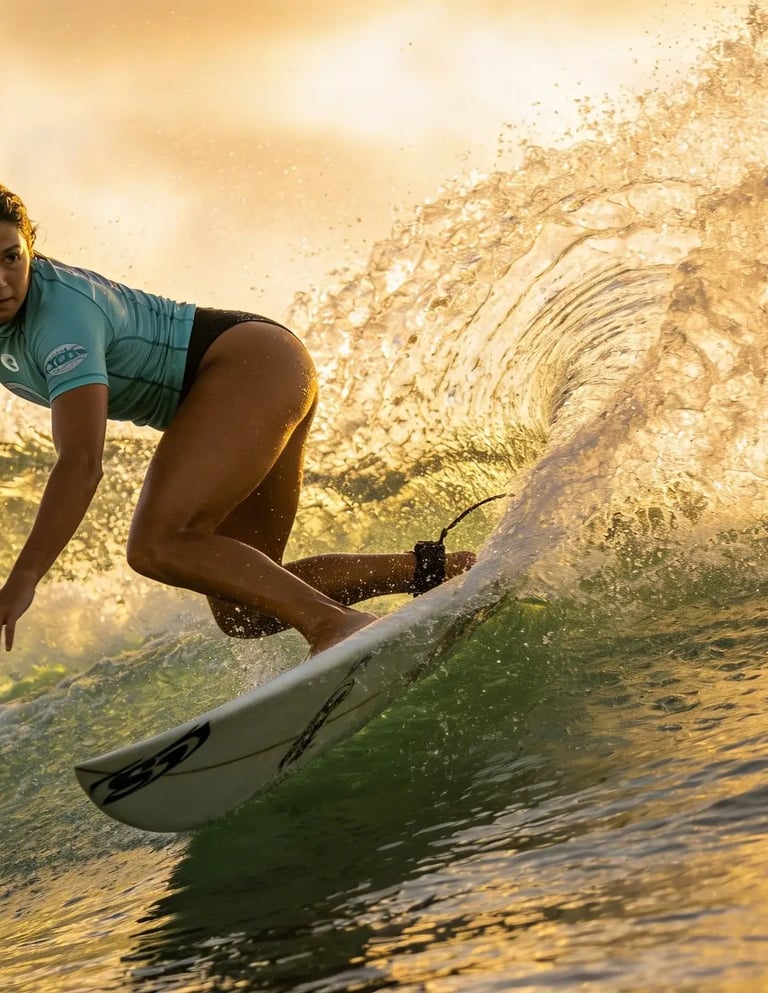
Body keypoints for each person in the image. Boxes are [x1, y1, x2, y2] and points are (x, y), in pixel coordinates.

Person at [0, 186, 474, 656]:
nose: (3, 280)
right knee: (246, 611)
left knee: (157, 545)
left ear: (31, 248)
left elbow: (81, 463)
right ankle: (448, 571)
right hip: (253, 377)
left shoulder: (61, 318)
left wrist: (23, 578)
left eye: (11, 258)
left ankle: (338, 626)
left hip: (249, 365)